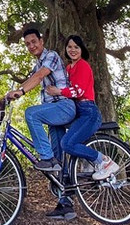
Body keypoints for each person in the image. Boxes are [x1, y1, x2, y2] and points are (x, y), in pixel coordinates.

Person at [6, 26, 77, 219]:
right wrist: (8, 96)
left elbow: (38, 78)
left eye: (33, 42)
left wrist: (21, 92)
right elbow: (30, 78)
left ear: (41, 41)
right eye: (27, 44)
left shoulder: (51, 56)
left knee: (31, 114)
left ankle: (47, 158)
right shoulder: (38, 63)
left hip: (64, 106)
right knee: (59, 158)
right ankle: (66, 205)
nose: (31, 46)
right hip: (54, 113)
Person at [44, 35, 119, 183]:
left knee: (67, 143)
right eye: (69, 47)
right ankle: (62, 178)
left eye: (76, 47)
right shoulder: (68, 68)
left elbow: (78, 91)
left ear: (81, 49)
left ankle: (104, 161)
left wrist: (58, 92)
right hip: (75, 111)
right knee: (55, 129)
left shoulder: (83, 65)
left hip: (88, 111)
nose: (72, 50)